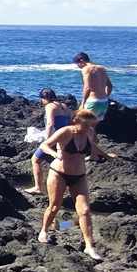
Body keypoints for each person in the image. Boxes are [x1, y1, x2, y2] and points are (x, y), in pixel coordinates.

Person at [38, 108, 107, 260]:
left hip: (79, 176)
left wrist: (107, 155)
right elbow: (44, 145)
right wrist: (54, 153)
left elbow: (93, 147)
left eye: (91, 125)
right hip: (58, 173)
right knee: (55, 206)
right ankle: (44, 231)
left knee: (85, 210)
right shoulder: (66, 132)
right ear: (76, 121)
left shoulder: (88, 133)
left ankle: (89, 246)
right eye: (86, 125)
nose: (89, 128)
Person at [24, 89, 72, 196]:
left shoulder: (50, 106)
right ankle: (67, 188)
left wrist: (48, 141)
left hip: (54, 138)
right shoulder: (64, 106)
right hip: (65, 138)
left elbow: (50, 123)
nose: (41, 102)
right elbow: (70, 122)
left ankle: (38, 188)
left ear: (45, 98)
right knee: (61, 163)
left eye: (42, 99)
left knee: (35, 160)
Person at [74, 52, 113, 120]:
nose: (78, 66)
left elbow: (87, 87)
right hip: (104, 102)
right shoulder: (102, 68)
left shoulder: (86, 69)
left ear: (81, 60)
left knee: (82, 123)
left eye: (77, 64)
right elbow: (110, 86)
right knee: (95, 125)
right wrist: (106, 96)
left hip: (93, 101)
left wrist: (83, 103)